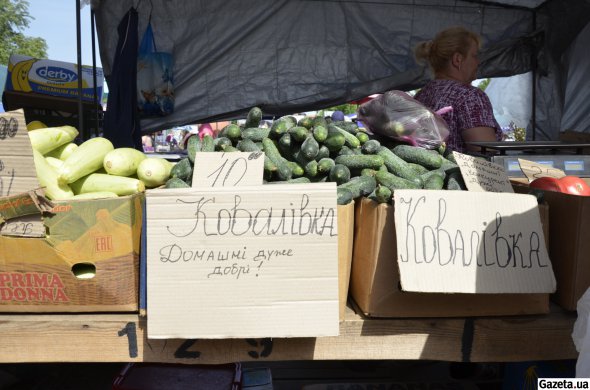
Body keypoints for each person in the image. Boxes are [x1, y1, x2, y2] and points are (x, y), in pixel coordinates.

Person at [413, 26, 502, 153]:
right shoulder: (469, 96)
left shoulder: (420, 96)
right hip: (460, 173)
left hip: (427, 172)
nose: (478, 62)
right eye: (474, 56)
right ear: (457, 59)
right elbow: (486, 151)